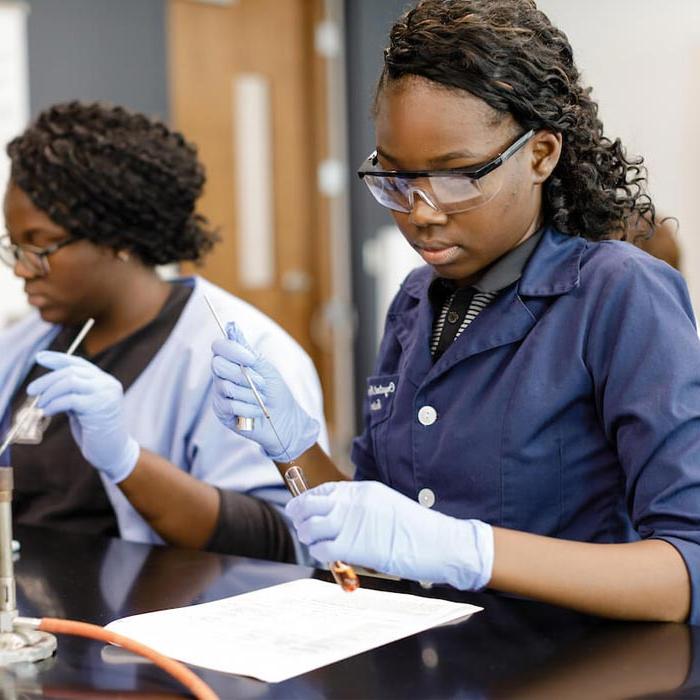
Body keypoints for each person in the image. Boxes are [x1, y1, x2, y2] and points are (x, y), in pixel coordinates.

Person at [211, 0, 700, 623]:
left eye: (459, 175)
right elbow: (376, 539)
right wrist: (293, 447)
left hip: (570, 666)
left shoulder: (619, 293)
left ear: (541, 154)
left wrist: (471, 550)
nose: (421, 211)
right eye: (395, 176)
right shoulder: (416, 301)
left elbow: (689, 568)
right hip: (426, 659)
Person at [0, 101, 330, 562]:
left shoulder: (240, 352)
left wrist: (126, 462)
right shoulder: (24, 345)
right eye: (13, 247)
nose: (21, 270)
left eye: (40, 247)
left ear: (115, 236)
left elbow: (280, 540)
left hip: (166, 620)